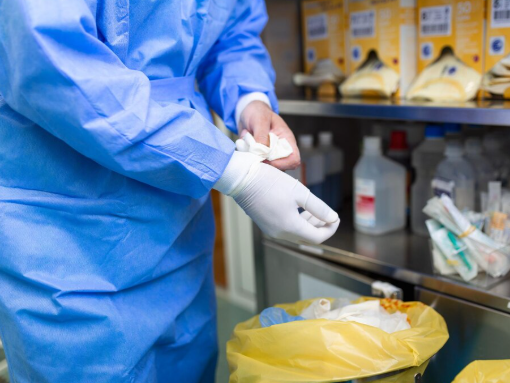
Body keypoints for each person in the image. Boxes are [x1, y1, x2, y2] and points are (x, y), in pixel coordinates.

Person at [0, 1, 340, 382]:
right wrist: (235, 173)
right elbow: (51, 58)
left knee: (188, 362)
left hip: (178, 224)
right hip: (67, 234)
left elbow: (230, 32)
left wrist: (250, 100)